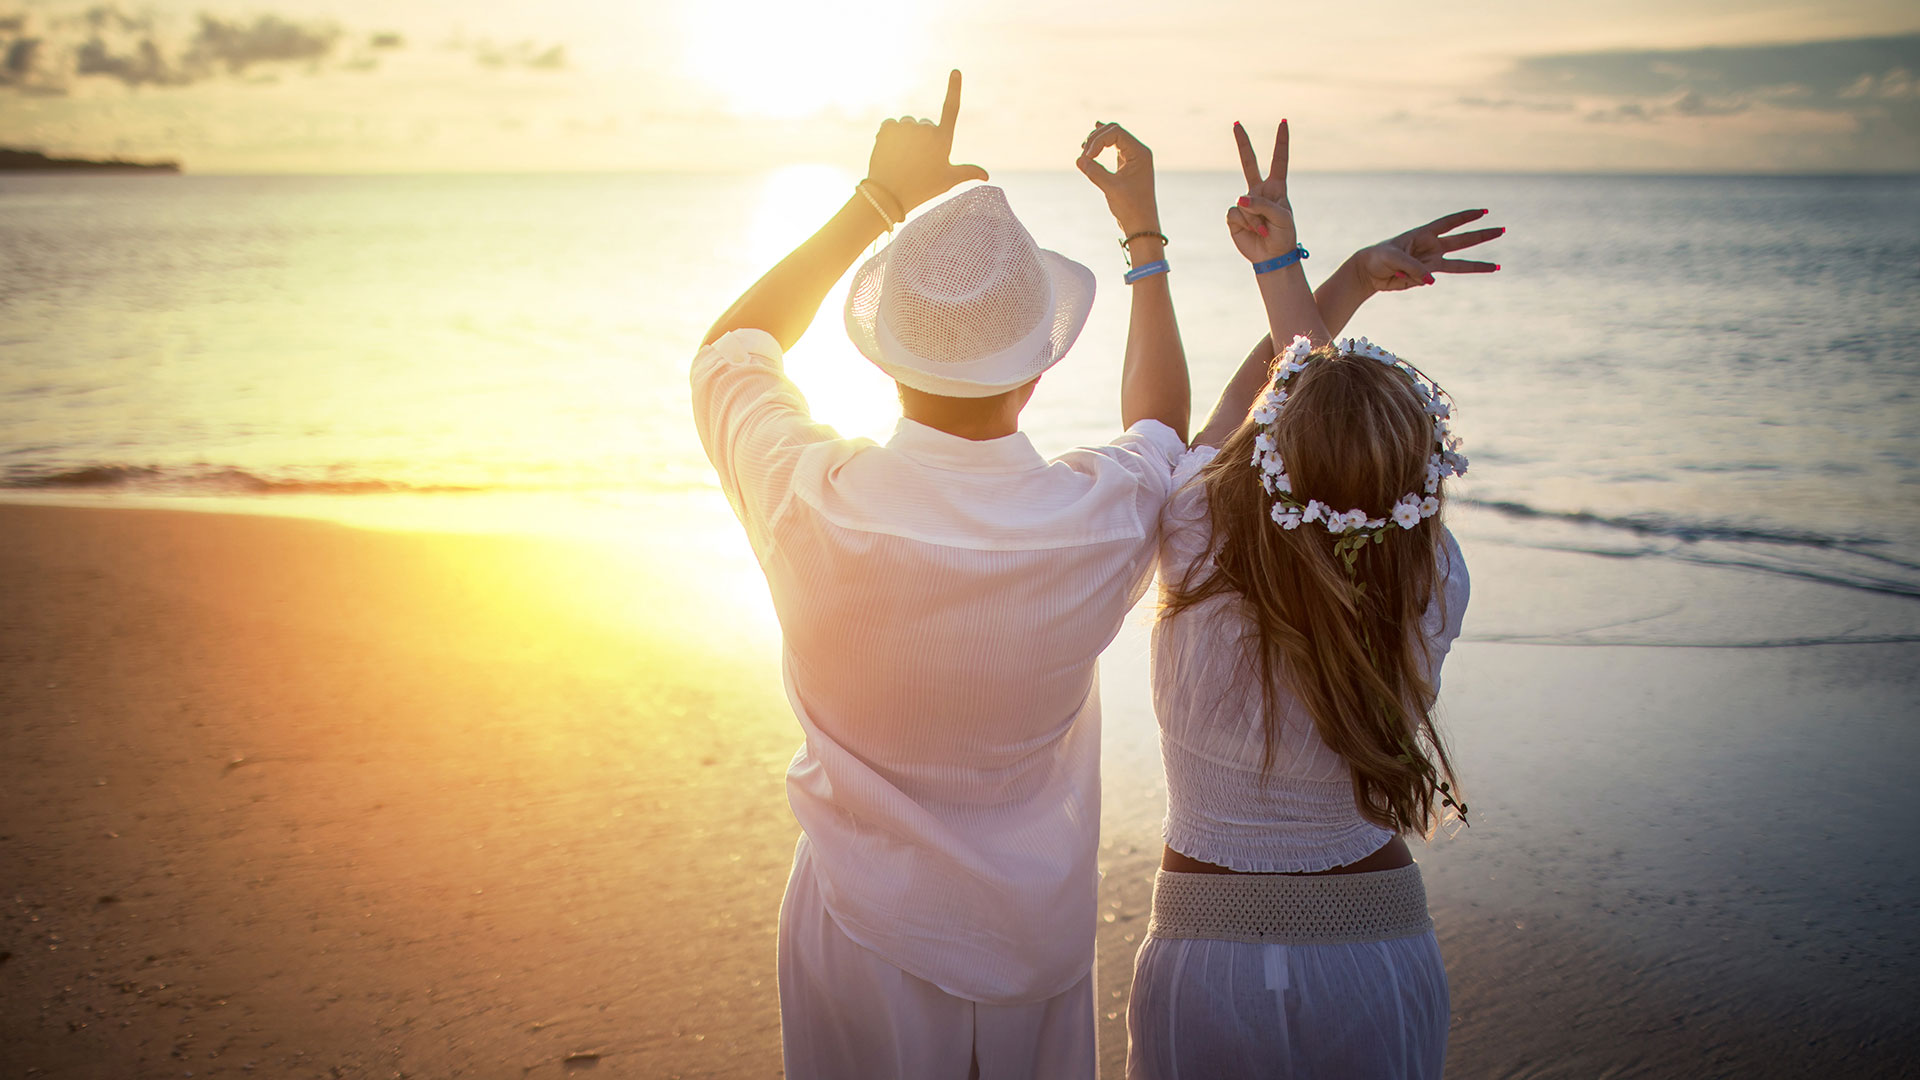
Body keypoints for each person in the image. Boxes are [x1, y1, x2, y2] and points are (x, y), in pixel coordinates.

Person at [690, 72, 1190, 1079]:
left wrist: (878, 199)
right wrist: (1144, 237)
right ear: (1040, 366)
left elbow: (730, 353)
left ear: (883, 358)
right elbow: (1162, 428)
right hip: (1033, 939)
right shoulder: (1094, 518)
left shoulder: (810, 495)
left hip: (856, 924)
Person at [1123, 119, 1502, 1078]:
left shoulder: (1195, 531)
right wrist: (1299, 270)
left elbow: (1271, 393)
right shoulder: (1430, 577)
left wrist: (1317, 271)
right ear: (1419, 477)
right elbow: (1306, 414)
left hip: (1206, 949)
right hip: (1375, 944)